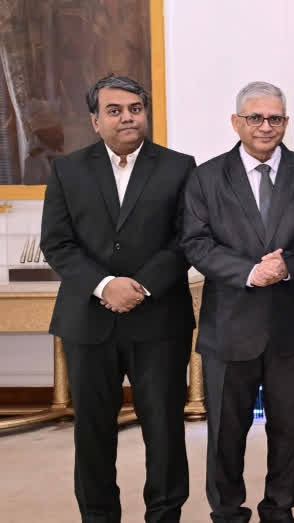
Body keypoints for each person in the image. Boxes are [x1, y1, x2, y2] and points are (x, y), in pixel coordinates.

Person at [40, 75, 196, 522]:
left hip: (159, 320)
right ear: (95, 120)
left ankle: (165, 515)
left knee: (164, 431)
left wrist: (141, 286)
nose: (127, 117)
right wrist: (105, 284)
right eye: (114, 110)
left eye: (134, 108)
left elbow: (187, 239)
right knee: (92, 433)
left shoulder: (179, 167)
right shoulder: (67, 170)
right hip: (88, 321)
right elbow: (57, 243)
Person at [181, 81, 294, 523]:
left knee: (289, 430)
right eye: (255, 118)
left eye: (275, 118)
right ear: (237, 122)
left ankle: (279, 508)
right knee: (226, 432)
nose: (266, 127)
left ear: (285, 122)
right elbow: (195, 243)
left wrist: (287, 265)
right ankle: (227, 511)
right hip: (230, 325)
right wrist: (250, 272)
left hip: (289, 324)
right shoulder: (206, 177)